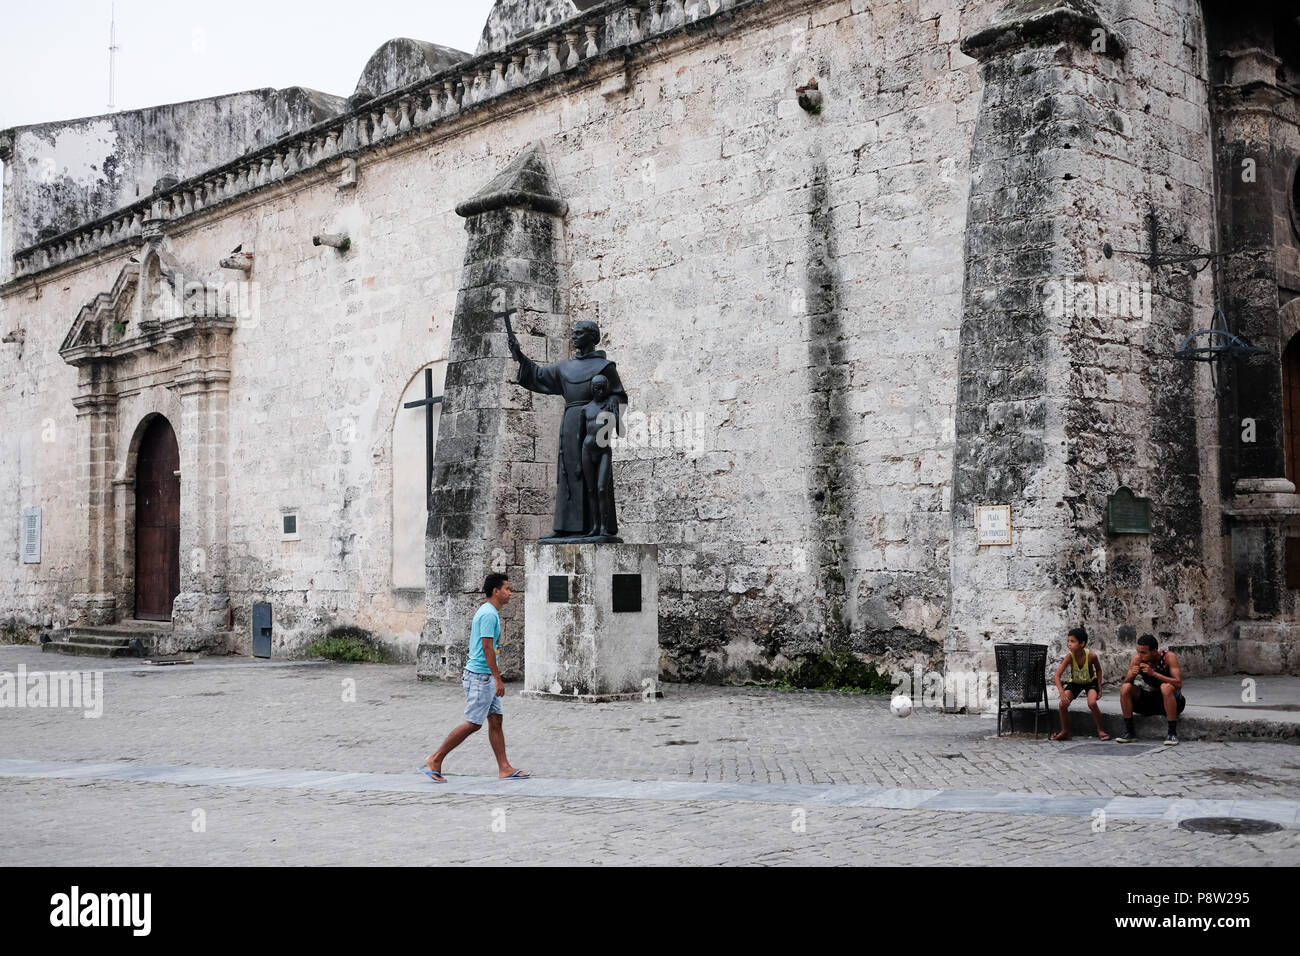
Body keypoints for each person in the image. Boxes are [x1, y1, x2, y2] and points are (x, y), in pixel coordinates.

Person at [507, 317, 628, 539]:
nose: (574, 336)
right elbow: (537, 375)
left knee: (596, 480)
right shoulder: (565, 367)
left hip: (593, 423)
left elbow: (618, 395)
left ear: (592, 337)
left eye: (579, 333)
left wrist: (610, 409)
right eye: (574, 332)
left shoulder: (605, 367)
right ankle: (564, 528)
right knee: (568, 473)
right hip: (571, 423)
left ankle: (599, 527)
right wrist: (519, 355)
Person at [423, 573, 530, 781]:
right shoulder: (489, 614)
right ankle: (436, 758)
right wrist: (498, 679)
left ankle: (504, 767)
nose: (510, 593)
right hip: (481, 677)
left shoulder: (490, 612)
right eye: (507, 588)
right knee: (473, 723)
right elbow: (487, 647)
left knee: (496, 720)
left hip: (484, 676)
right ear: (495, 591)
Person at [1116, 633, 1185, 746]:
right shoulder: (1137, 659)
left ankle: (1172, 733)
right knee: (1125, 687)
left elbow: (1178, 684)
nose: (1140, 655)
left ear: (1154, 651)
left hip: (1173, 701)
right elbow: (1126, 684)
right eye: (1138, 651)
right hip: (1150, 701)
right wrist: (1131, 676)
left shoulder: (1168, 657)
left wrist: (1153, 673)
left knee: (1166, 687)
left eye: (1143, 652)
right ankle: (1129, 732)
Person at [579, 374, 621, 538]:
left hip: (603, 450)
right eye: (597, 387)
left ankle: (604, 526)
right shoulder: (586, 409)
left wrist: (616, 415)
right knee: (591, 490)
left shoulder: (610, 405)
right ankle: (595, 526)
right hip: (587, 450)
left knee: (602, 488)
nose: (600, 391)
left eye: (603, 387)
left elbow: (621, 432)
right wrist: (576, 462)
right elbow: (579, 435)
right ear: (592, 388)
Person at [1051, 626, 1107, 741]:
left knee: (1092, 703)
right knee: (1062, 705)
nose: (1069, 644)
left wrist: (1100, 688)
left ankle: (1101, 730)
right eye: (1068, 641)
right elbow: (1057, 675)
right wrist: (1061, 693)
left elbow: (1099, 670)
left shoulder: (1091, 656)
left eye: (1072, 641)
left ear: (1082, 644)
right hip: (1075, 683)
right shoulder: (1069, 657)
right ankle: (1065, 731)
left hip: (1090, 682)